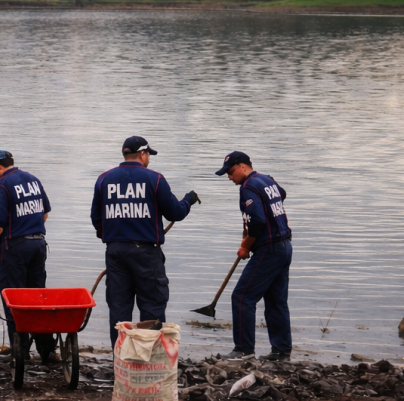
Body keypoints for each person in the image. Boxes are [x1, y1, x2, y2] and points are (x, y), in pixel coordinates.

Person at [91, 136, 200, 348]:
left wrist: (110, 235)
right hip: (146, 254)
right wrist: (189, 200)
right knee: (152, 308)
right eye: (148, 154)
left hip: (115, 252)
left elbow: (96, 217)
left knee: (119, 310)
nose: (149, 158)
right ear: (142, 154)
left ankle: (120, 363)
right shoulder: (155, 179)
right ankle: (149, 362)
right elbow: (175, 213)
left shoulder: (104, 179)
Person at [0, 150, 57, 364]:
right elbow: (45, 213)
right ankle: (47, 351)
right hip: (38, 244)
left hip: (14, 248)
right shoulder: (33, 179)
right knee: (37, 298)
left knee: (14, 299)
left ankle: (20, 352)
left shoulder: (1, 186)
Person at [214, 151, 293, 361]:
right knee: (276, 301)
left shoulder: (248, 187)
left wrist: (245, 247)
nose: (229, 177)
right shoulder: (266, 180)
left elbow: (257, 223)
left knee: (242, 297)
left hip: (269, 248)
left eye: (230, 172)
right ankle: (282, 351)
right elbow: (281, 194)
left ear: (242, 167)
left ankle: (243, 350)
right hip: (285, 246)